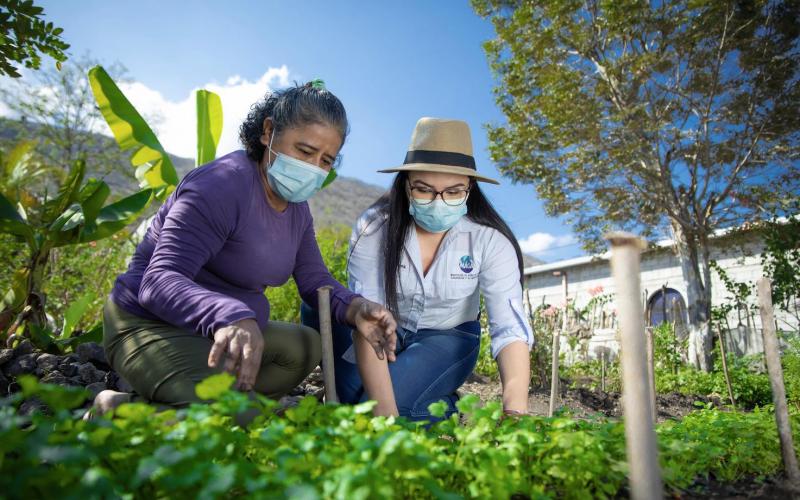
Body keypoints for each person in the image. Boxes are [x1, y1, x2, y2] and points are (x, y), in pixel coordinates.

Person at [92, 81, 397, 418]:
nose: (313, 168)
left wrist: (356, 309)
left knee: (304, 346)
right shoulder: (220, 185)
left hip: (220, 333)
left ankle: (176, 405)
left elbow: (314, 279)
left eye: (326, 161)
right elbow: (159, 281)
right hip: (147, 324)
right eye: (305, 151)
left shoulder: (297, 210)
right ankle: (121, 413)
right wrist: (229, 315)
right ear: (268, 132)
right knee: (243, 418)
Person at [302, 117, 532, 422]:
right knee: (369, 402)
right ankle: (431, 400)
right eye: (424, 190)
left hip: (446, 338)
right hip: (376, 332)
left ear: (469, 188)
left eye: (453, 192)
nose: (439, 202)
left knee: (369, 406)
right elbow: (367, 319)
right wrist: (384, 419)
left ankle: (439, 404)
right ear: (406, 184)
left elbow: (509, 329)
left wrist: (514, 411)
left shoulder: (490, 241)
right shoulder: (375, 227)